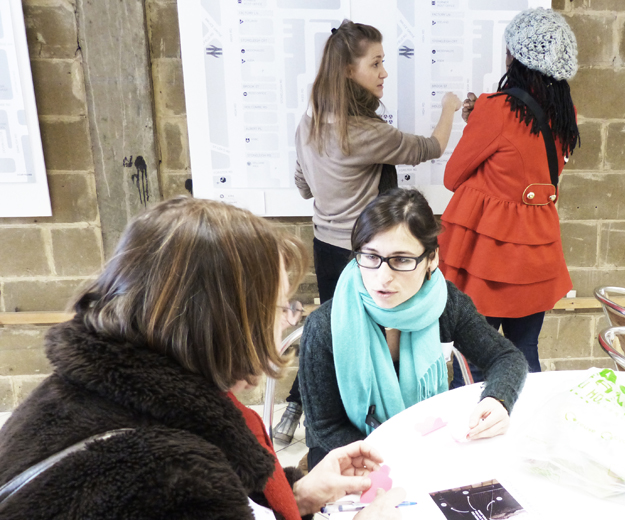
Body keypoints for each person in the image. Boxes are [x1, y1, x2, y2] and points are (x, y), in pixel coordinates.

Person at [0, 197, 405, 520]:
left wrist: (297, 495)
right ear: (223, 323)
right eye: (281, 308)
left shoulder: (71, 395)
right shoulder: (173, 478)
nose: (286, 322)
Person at [274, 18, 463, 444]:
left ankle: (292, 411)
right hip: (365, 256)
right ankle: (375, 427)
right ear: (347, 71)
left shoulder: (309, 124)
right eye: (375, 63)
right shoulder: (367, 133)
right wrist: (450, 107)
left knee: (331, 329)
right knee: (369, 343)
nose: (384, 73)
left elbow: (303, 188)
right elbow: (429, 148)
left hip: (326, 245)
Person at [298, 188, 528, 470]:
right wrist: (395, 455)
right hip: (346, 459)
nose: (382, 278)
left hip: (423, 449)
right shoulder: (326, 326)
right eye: (370, 257)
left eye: (402, 260)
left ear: (432, 259)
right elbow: (326, 427)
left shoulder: (445, 303)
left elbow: (505, 357)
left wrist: (498, 399)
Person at [439, 8, 580, 385]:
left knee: (474, 362)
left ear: (515, 56)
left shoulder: (496, 109)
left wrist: (480, 122)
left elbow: (453, 177)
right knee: (525, 352)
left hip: (491, 258)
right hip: (537, 252)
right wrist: (480, 123)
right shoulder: (565, 113)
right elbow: (525, 162)